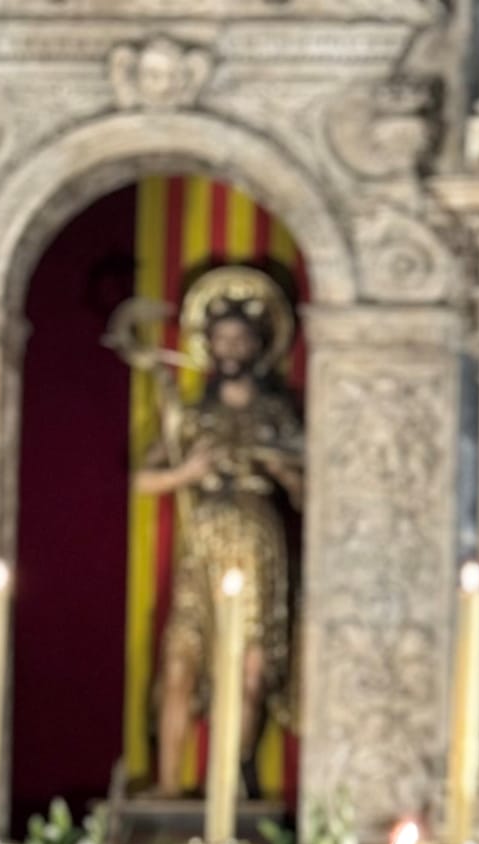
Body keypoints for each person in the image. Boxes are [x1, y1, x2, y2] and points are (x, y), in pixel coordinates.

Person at [128, 267, 303, 799]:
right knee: (181, 662)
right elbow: (141, 479)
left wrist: (282, 470)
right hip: (202, 545)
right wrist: (187, 472)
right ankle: (167, 784)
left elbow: (312, 492)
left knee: (248, 669)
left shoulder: (277, 413)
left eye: (240, 339)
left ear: (258, 346)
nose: (231, 349)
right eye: (222, 339)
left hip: (257, 544)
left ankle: (227, 786)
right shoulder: (191, 416)